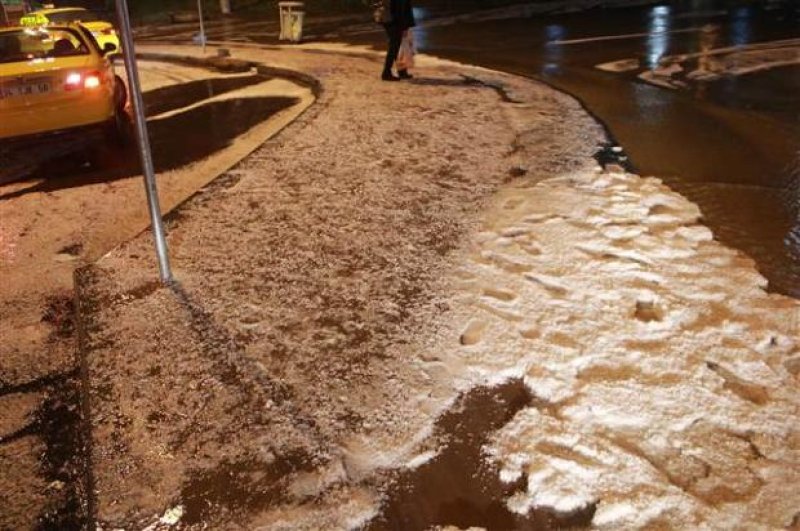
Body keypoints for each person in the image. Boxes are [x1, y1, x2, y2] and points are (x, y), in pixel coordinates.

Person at [380, 0, 415, 81]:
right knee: (394, 47)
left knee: (396, 46)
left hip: (388, 20)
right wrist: (404, 27)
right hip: (394, 21)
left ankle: (401, 71)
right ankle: (386, 73)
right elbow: (400, 9)